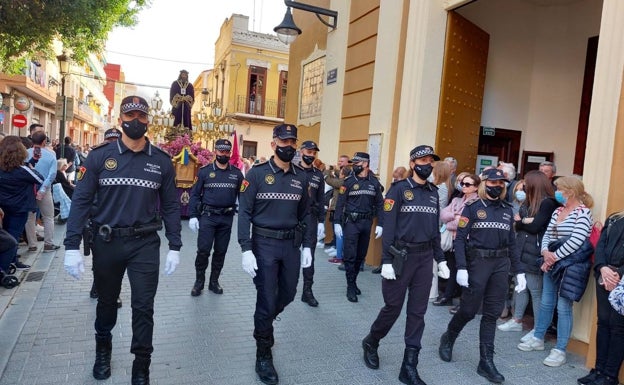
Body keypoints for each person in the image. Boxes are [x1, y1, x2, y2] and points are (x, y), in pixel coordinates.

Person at [63, 95, 182, 384]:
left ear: (148, 120)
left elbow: (171, 205)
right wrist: (71, 246)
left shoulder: (161, 161)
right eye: (131, 117)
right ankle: (102, 351)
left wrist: (175, 246)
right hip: (107, 242)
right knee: (106, 302)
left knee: (144, 307)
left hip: (145, 243)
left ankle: (142, 365)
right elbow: (81, 200)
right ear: (121, 120)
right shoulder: (100, 156)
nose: (136, 122)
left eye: (142, 117)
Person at [362, 145, 449, 385]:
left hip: (423, 259)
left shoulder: (433, 192)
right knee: (393, 307)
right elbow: (388, 226)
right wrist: (386, 260)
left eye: (431, 160)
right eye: (422, 160)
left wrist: (440, 259)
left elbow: (433, 229)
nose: (428, 164)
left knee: (418, 313)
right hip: (401, 256)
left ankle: (409, 366)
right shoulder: (399, 190)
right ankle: (372, 340)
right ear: (412, 164)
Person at [238, 123, 315, 385]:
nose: (289, 147)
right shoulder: (257, 175)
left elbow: (304, 213)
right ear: (273, 144)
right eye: (284, 143)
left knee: (290, 293)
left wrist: (307, 245)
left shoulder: (301, 177)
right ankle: (263, 352)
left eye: (293, 143)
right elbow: (244, 212)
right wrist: (245, 248)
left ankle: (264, 325)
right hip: (263, 245)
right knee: (266, 298)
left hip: (291, 246)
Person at [438, 168, 526, 384]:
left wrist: (520, 271)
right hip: (478, 263)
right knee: (468, 309)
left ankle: (486, 361)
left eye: (501, 184)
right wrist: (461, 268)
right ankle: (449, 337)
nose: (497, 187)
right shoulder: (473, 208)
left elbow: (512, 244)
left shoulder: (507, 210)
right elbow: (460, 240)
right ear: (484, 184)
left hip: (500, 265)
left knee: (491, 313)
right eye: (493, 183)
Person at [518, 176, 594, 368]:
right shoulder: (558, 210)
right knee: (546, 301)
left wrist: (553, 257)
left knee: (563, 306)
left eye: (560, 189)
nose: (557, 192)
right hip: (552, 263)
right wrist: (545, 253)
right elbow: (548, 234)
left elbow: (577, 240)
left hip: (568, 267)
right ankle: (538, 337)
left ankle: (560, 349)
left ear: (570, 191)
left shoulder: (583, 213)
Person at [498, 171, 558, 341]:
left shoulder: (547, 203)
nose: (523, 186)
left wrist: (522, 221)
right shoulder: (528, 201)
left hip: (535, 252)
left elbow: (535, 227)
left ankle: (538, 329)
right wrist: (524, 222)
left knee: (535, 291)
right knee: (520, 287)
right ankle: (517, 319)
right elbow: (516, 223)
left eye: (526, 183)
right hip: (521, 249)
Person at [188, 138, 243, 296]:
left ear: (230, 153)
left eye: (226, 152)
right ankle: (199, 282)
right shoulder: (205, 172)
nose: (223, 154)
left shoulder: (236, 174)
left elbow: (244, 196)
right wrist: (193, 216)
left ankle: (214, 282)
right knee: (203, 251)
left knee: (221, 251)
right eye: (221, 151)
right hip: (208, 218)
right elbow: (195, 195)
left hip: (226, 219)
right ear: (215, 152)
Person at [578, 210, 624, 385]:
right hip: (604, 277)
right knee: (603, 323)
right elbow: (601, 247)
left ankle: (610, 376)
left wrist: (617, 274)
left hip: (621, 280)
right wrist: (603, 268)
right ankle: (598, 370)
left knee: (619, 328)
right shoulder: (614, 218)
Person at [334, 152, 384, 302]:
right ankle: (350, 286)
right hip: (351, 223)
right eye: (353, 163)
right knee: (350, 255)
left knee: (360, 255)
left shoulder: (374, 182)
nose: (354, 166)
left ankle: (354, 281)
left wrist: (381, 223)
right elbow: (340, 203)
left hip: (366, 223)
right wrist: (337, 222)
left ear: (365, 164)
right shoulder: (348, 182)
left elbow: (380, 205)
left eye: (357, 163)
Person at [434, 173, 480, 309]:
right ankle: (447, 296)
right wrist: (455, 216)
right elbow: (443, 215)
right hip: (453, 241)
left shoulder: (477, 203)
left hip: (467, 241)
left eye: (467, 184)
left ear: (476, 187)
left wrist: (452, 221)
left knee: (466, 271)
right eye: (462, 183)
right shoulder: (456, 200)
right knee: (453, 268)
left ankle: (463, 302)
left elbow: (464, 223)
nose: (463, 186)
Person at [0, 136, 44, 275]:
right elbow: (39, 178)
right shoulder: (22, 169)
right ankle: (7, 265)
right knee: (14, 236)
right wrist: (29, 165)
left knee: (6, 235)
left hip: (3, 207)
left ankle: (11, 261)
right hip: (19, 208)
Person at [298, 140, 326, 307]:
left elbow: (321, 198)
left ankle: (307, 291)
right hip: (293, 219)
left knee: (309, 256)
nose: (311, 155)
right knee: (289, 255)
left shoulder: (318, 175)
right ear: (301, 152)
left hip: (310, 218)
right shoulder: (292, 171)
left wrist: (322, 221)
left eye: (313, 153)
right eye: (308, 152)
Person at [25, 131, 59, 254]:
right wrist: (43, 189)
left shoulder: (25, 153)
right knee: (48, 216)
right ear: (44, 141)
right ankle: (48, 244)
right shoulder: (51, 155)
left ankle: (32, 245)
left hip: (28, 188)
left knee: (29, 217)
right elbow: (52, 174)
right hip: (44, 188)